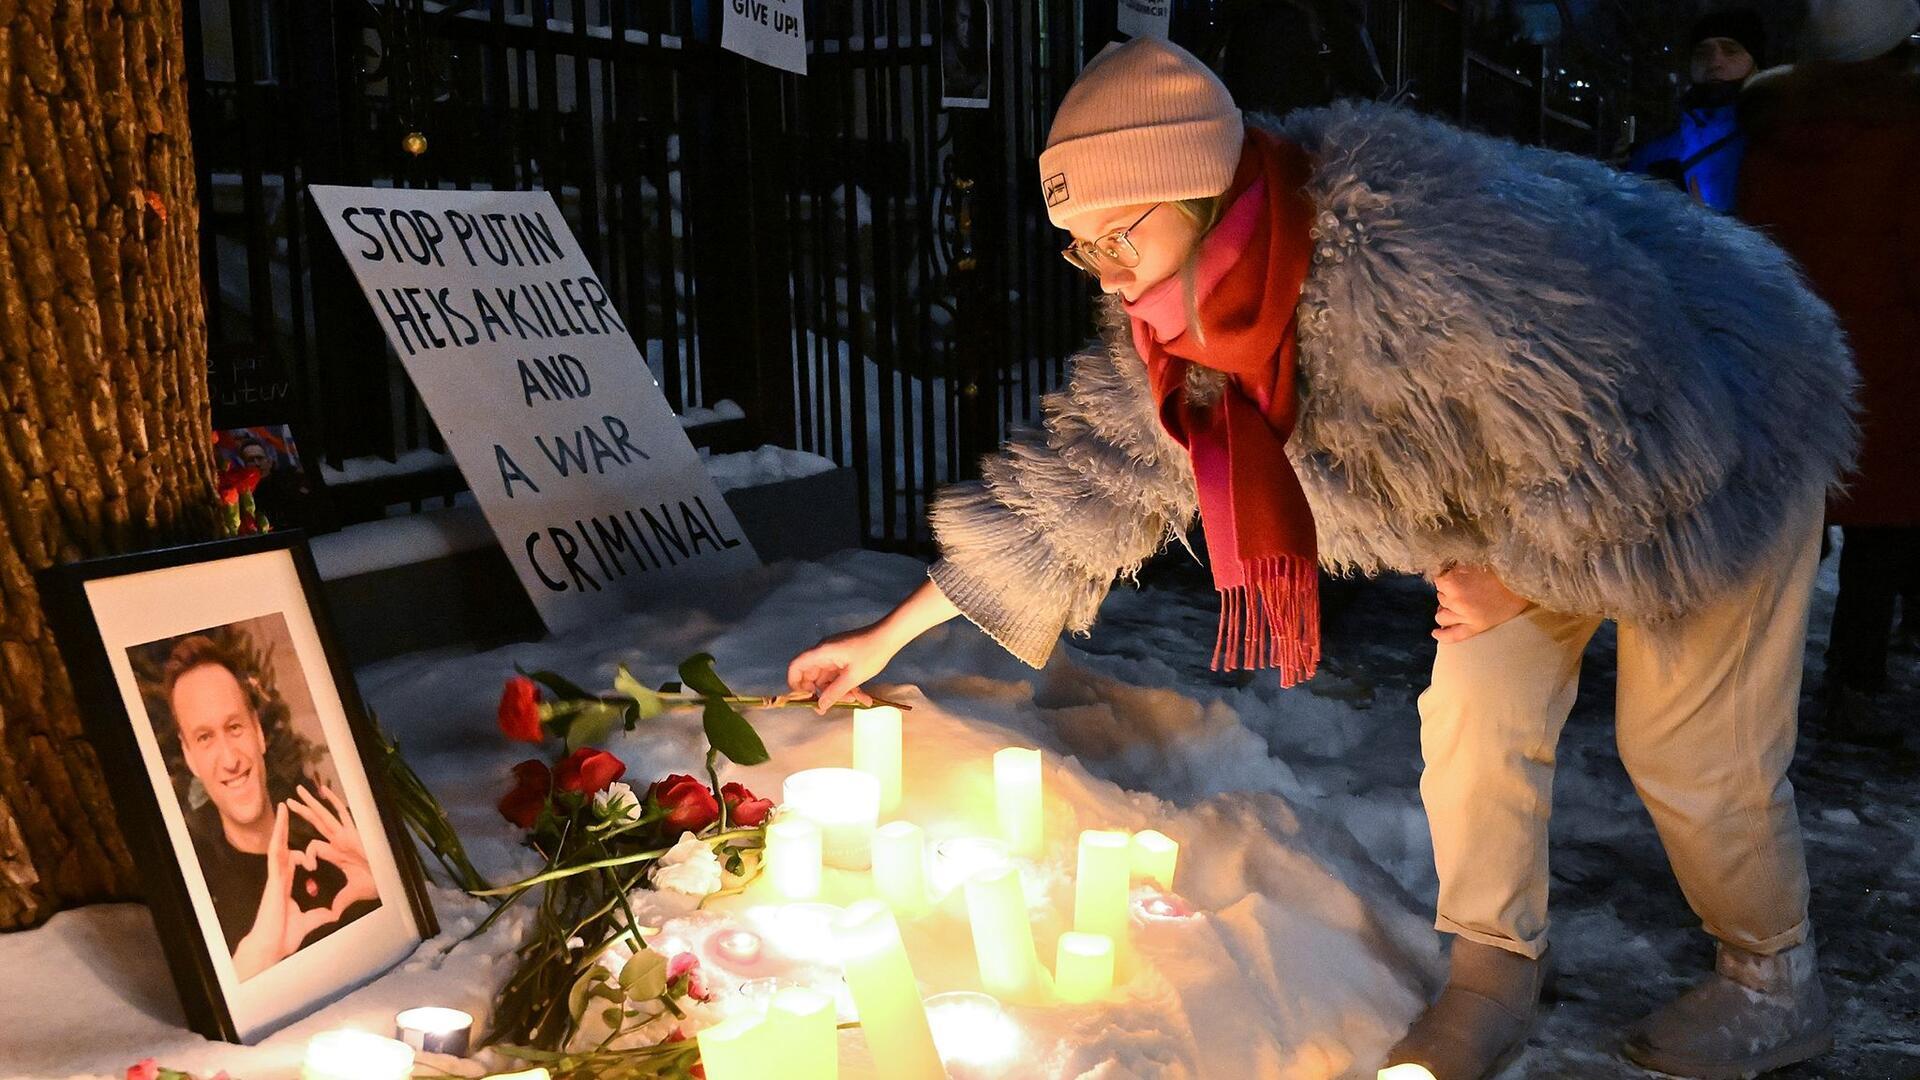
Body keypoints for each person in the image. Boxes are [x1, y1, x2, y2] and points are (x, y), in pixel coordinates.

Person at [786, 37, 1856, 1079]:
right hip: (1519, 497)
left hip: (1721, 429)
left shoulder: (1419, 255)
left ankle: (1773, 980)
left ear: (1202, 190)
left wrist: (1519, 574)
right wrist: (891, 634)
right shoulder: (1180, 327)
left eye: (1123, 233)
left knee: (1688, 752)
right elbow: (1081, 491)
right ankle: (1493, 973)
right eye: (1083, 243)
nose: (1108, 273)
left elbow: (1636, 413)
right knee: (1475, 714)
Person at [1739, 0, 1920, 745]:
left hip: (1793, 358)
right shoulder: (1908, 135)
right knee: (1881, 540)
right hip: (1892, 361)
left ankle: (1752, 688)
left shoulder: (1770, 128)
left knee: (1788, 531)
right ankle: (1855, 683)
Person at [159, 633, 379, 980]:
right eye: (205, 738)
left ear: (258, 733)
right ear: (189, 757)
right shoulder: (198, 896)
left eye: (234, 727)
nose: (229, 759)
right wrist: (259, 956)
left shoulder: (339, 846)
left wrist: (384, 888)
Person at [1628, 9, 1766, 210]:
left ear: (1756, 63)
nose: (1714, 63)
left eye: (1731, 51)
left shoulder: (1780, 138)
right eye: (1702, 53)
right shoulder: (1655, 153)